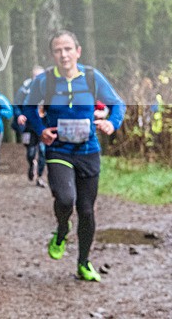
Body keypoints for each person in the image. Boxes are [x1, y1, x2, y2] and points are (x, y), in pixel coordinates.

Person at [24, 30, 124, 282]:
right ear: (52, 54)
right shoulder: (44, 81)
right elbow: (27, 107)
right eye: (58, 50)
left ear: (78, 51)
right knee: (66, 199)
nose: (63, 54)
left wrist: (112, 124)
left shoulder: (91, 77)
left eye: (68, 49)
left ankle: (83, 262)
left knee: (87, 211)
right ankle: (61, 229)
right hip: (59, 150)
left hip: (89, 151)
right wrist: (41, 129)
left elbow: (117, 104)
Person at [13, 66, 46, 186]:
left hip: (44, 126)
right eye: (36, 76)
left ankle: (40, 176)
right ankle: (32, 164)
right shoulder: (25, 89)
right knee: (30, 152)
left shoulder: (50, 88)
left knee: (43, 151)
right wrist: (19, 115)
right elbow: (16, 105)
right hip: (28, 126)